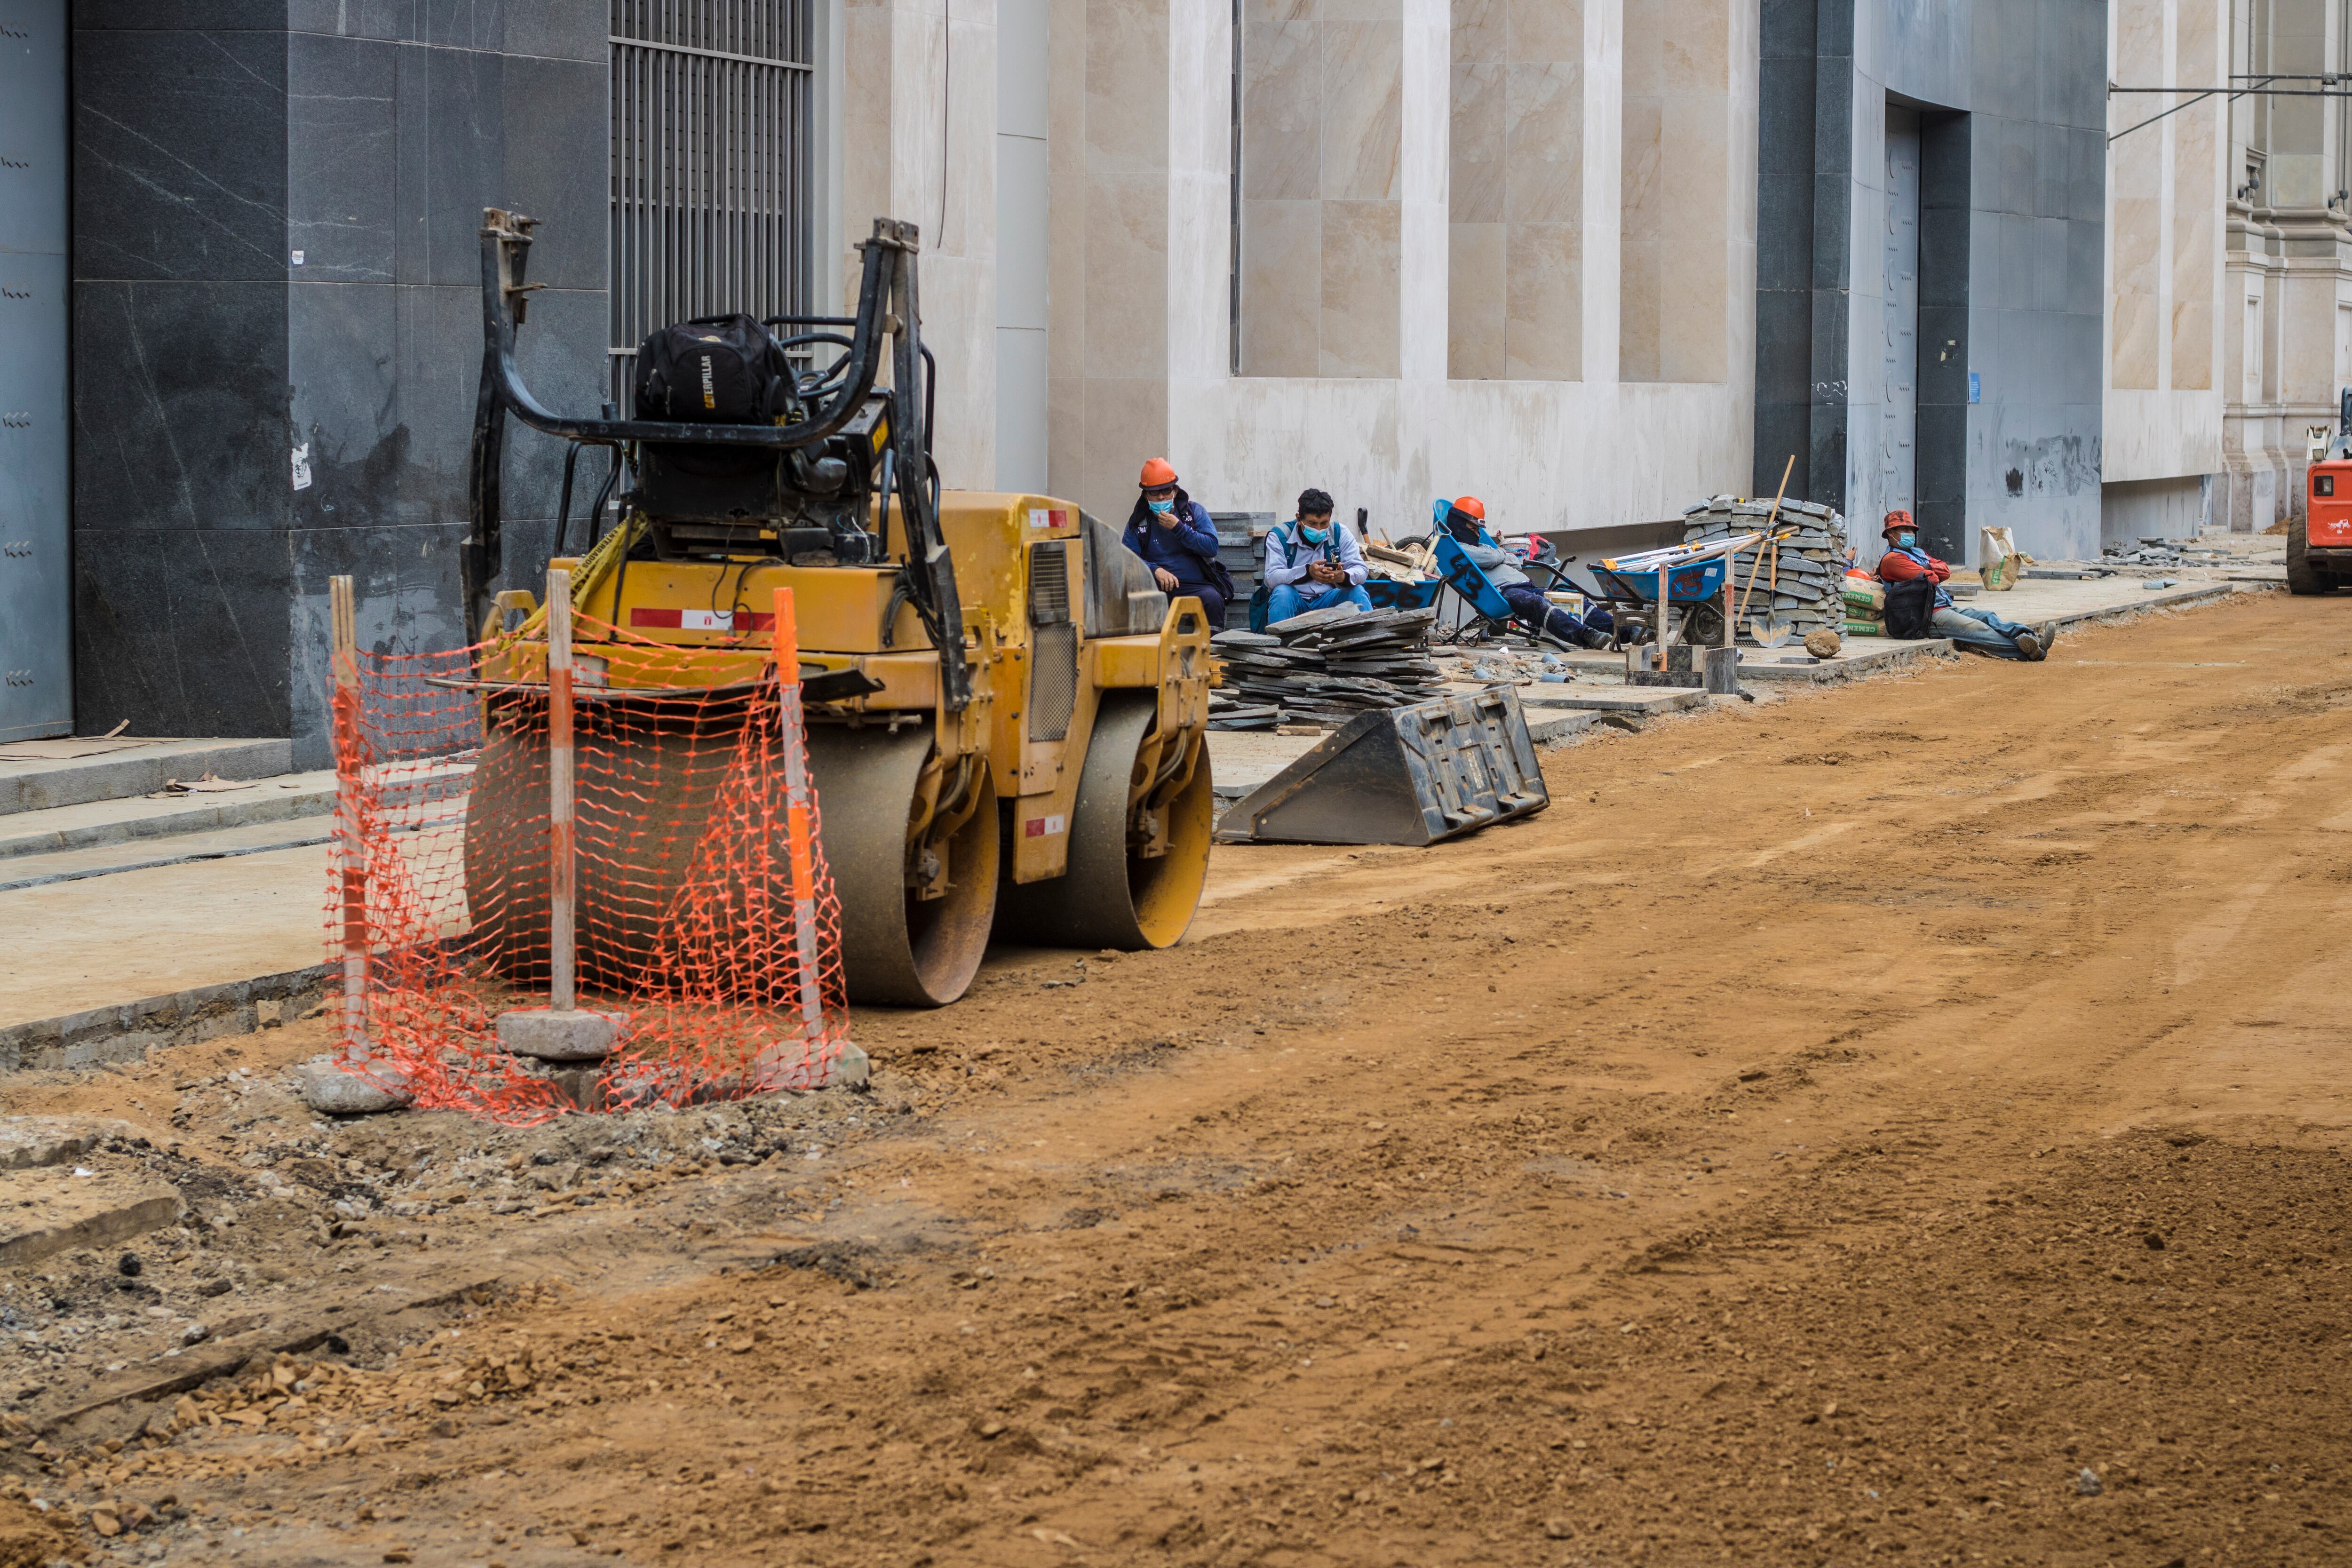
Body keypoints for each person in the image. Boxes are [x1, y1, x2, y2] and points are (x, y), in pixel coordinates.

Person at [1875, 511, 2056, 661]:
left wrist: (1929, 568)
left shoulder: (1917, 552)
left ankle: (2033, 638)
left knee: (1987, 617)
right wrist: (1930, 569)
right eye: (1904, 529)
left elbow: (1945, 571)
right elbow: (1932, 579)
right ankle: (2025, 651)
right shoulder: (1892, 560)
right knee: (1977, 629)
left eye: (1911, 530)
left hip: (1943, 607)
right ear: (1891, 533)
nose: (1910, 534)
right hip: (1926, 617)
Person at [1439, 496, 1615, 649]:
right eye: (1473, 529)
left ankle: (1621, 630)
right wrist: (1499, 555)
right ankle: (1587, 636)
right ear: (1460, 526)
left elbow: (1515, 562)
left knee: (1570, 599)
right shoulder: (1461, 551)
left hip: (1525, 586)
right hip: (1505, 593)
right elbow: (1495, 558)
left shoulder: (1482, 548)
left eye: (1478, 530)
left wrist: (1498, 555)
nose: (1477, 535)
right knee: (1538, 604)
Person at [1121, 458, 1232, 627]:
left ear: (1175, 491)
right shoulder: (1138, 523)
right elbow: (1128, 559)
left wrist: (1179, 528)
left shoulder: (1194, 513)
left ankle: (1212, 650)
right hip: (1157, 587)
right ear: (1146, 495)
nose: (1161, 497)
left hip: (1196, 586)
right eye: (1154, 493)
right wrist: (1155, 570)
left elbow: (1211, 547)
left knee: (1213, 599)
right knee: (1140, 602)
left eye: (1166, 491)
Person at [1262, 489, 1375, 623]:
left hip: (1329, 600)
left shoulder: (1340, 533)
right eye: (1312, 524)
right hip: (1295, 600)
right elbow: (1272, 577)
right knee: (1282, 593)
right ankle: (1277, 641)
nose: (1319, 529)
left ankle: (1371, 640)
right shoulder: (1280, 536)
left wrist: (1342, 577)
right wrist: (1308, 572)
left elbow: (1361, 570)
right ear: (1299, 519)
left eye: (1324, 523)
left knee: (1357, 592)